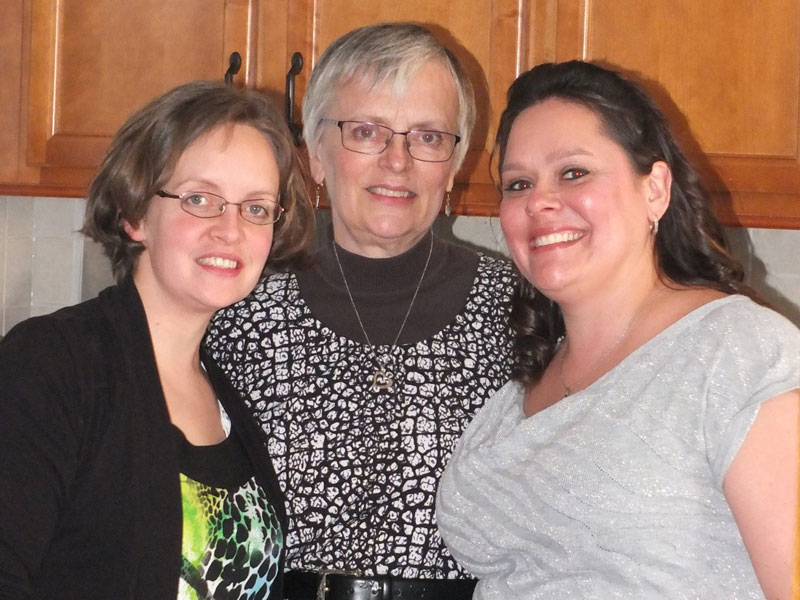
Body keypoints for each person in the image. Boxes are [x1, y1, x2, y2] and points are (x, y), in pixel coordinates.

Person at [436, 60, 800, 599]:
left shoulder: (739, 354)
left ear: (654, 190)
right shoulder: (520, 387)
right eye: (518, 184)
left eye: (574, 172)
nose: (539, 201)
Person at [205, 22, 516, 600]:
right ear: (315, 156)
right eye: (367, 131)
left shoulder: (522, 314)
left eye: (427, 137)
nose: (397, 161)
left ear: (454, 166)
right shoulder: (238, 311)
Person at [0, 81, 314, 599]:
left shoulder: (225, 394)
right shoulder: (53, 365)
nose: (230, 229)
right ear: (135, 213)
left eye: (256, 208)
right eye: (199, 199)